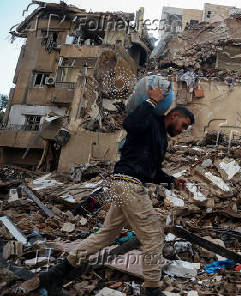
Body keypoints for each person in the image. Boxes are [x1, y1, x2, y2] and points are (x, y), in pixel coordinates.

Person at [21, 101, 195, 296]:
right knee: (154, 236)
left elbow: (151, 171)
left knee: (107, 234)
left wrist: (172, 180)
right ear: (174, 116)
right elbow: (130, 123)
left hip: (123, 185)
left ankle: (54, 275)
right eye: (184, 125)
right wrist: (150, 101)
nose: (183, 130)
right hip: (129, 185)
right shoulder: (151, 121)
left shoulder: (161, 138)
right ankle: (152, 289)